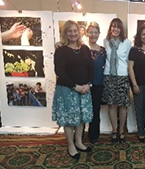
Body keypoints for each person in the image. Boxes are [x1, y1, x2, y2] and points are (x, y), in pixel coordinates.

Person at [52, 20, 93, 160]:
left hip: (84, 89)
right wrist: (75, 86)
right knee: (69, 120)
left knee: (81, 118)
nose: (73, 33)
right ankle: (71, 145)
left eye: (75, 30)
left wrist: (88, 84)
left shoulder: (85, 48)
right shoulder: (61, 51)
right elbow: (60, 72)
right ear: (65, 33)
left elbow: (91, 68)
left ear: (79, 32)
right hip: (67, 90)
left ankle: (79, 142)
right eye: (69, 31)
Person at [102, 18, 132, 143]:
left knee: (122, 105)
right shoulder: (105, 41)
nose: (115, 29)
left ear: (122, 29)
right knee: (112, 104)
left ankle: (121, 130)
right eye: (113, 26)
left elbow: (128, 60)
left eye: (118, 27)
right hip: (109, 75)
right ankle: (114, 130)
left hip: (122, 75)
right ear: (110, 28)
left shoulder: (127, 42)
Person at [86, 21, 107, 144]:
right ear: (87, 33)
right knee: (84, 110)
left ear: (99, 34)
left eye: (95, 32)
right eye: (91, 32)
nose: (93, 35)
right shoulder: (82, 49)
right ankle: (80, 134)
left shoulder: (103, 50)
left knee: (95, 110)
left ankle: (94, 135)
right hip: (84, 85)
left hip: (98, 84)